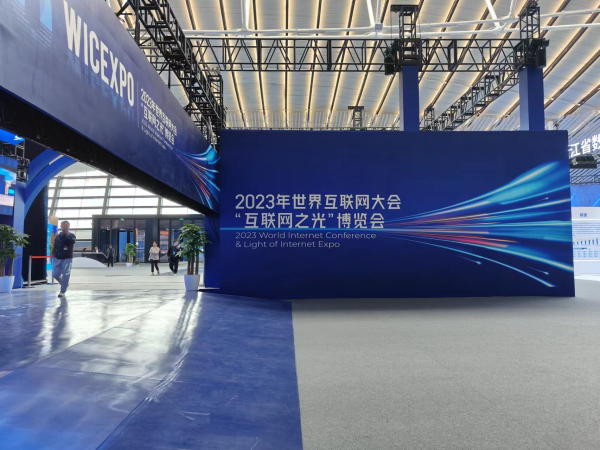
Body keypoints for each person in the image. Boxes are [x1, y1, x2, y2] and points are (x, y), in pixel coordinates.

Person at [52, 221, 76, 298]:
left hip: (67, 258)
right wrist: (53, 254)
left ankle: (62, 291)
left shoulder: (71, 236)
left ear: (68, 227)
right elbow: (55, 246)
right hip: (57, 257)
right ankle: (64, 283)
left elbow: (72, 241)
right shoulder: (58, 236)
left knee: (66, 274)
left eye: (66, 227)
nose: (64, 228)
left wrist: (67, 233)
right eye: (63, 226)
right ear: (61, 226)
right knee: (55, 274)